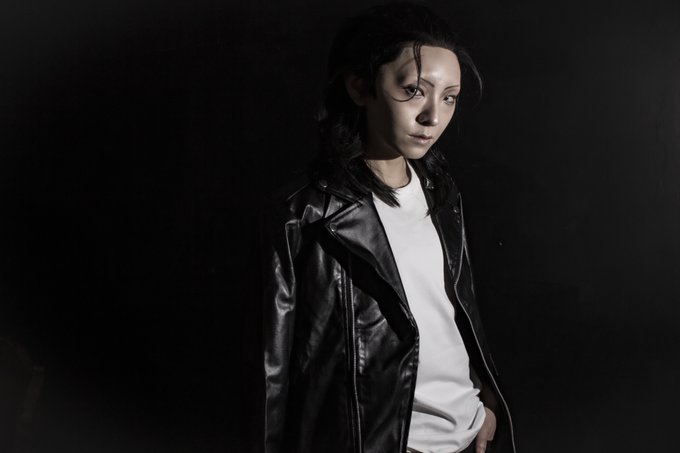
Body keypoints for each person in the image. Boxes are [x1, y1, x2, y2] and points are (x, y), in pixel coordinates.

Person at [252, 2, 516, 452]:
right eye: (414, 90)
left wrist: (483, 405)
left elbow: (450, 315)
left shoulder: (441, 194)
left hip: (469, 434)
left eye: (449, 97)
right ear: (361, 87)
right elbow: (269, 375)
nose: (433, 116)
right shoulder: (303, 214)